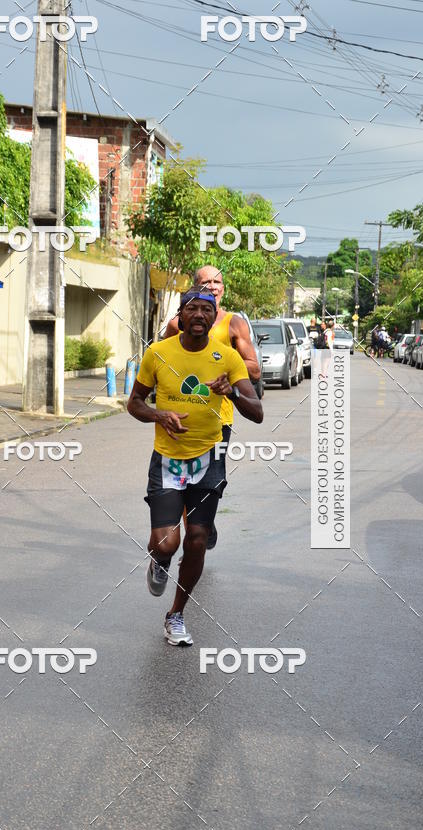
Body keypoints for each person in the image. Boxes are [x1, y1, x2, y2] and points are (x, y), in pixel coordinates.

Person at [128, 289, 263, 646]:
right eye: (193, 309)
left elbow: (257, 412)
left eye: (207, 309)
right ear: (181, 316)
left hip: (209, 458)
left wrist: (231, 393)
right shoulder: (158, 354)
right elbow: (135, 403)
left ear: (214, 317)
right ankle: (159, 559)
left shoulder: (229, 358)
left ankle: (176, 615)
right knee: (167, 543)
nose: (200, 315)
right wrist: (160, 415)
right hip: (167, 460)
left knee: (198, 540)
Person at [164, 265, 262, 550]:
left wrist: (225, 370)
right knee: (180, 477)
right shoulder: (174, 325)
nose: (213, 285)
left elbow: (254, 370)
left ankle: (204, 521)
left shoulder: (233, 324)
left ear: (223, 288)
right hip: (182, 412)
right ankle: (195, 533)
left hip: (220, 419)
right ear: (194, 287)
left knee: (209, 476)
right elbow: (161, 361)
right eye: (206, 281)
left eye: (217, 281)